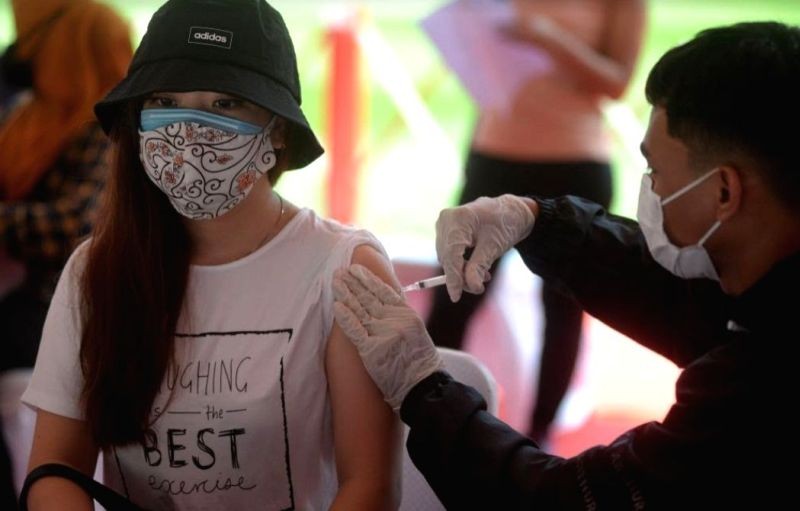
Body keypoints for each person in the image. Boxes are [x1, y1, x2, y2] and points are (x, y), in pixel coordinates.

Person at [333, 21, 799, 509]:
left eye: (656, 172)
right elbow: (684, 299)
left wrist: (423, 389)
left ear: (724, 192)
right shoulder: (766, 286)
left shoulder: (755, 383)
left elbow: (561, 502)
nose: (652, 190)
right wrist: (540, 222)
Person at [20, 1, 401, 510]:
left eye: (225, 104)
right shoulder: (96, 271)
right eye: (166, 101)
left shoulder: (343, 268)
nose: (191, 127)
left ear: (279, 132)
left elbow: (370, 486)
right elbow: (54, 470)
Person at [424, 0, 646, 445]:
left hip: (575, 161)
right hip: (495, 157)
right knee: (455, 290)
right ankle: (426, 417)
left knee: (562, 307)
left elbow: (618, 82)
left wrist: (546, 35)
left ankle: (540, 436)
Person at [0, 0, 132, 507]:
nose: (19, 53)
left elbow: (78, 224)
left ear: (63, 51)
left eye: (32, 41)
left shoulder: (109, 131)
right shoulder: (30, 119)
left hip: (61, 306)